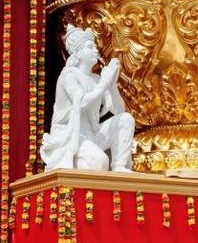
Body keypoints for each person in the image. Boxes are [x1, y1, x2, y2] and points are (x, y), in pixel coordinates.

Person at [39, 25, 134, 172]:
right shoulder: (68, 75)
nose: (95, 50)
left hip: (93, 134)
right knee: (99, 162)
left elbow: (118, 110)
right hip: (71, 136)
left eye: (95, 46)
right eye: (90, 47)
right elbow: (82, 102)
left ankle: (119, 165)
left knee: (126, 119)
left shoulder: (96, 79)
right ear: (77, 54)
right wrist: (105, 82)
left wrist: (112, 85)